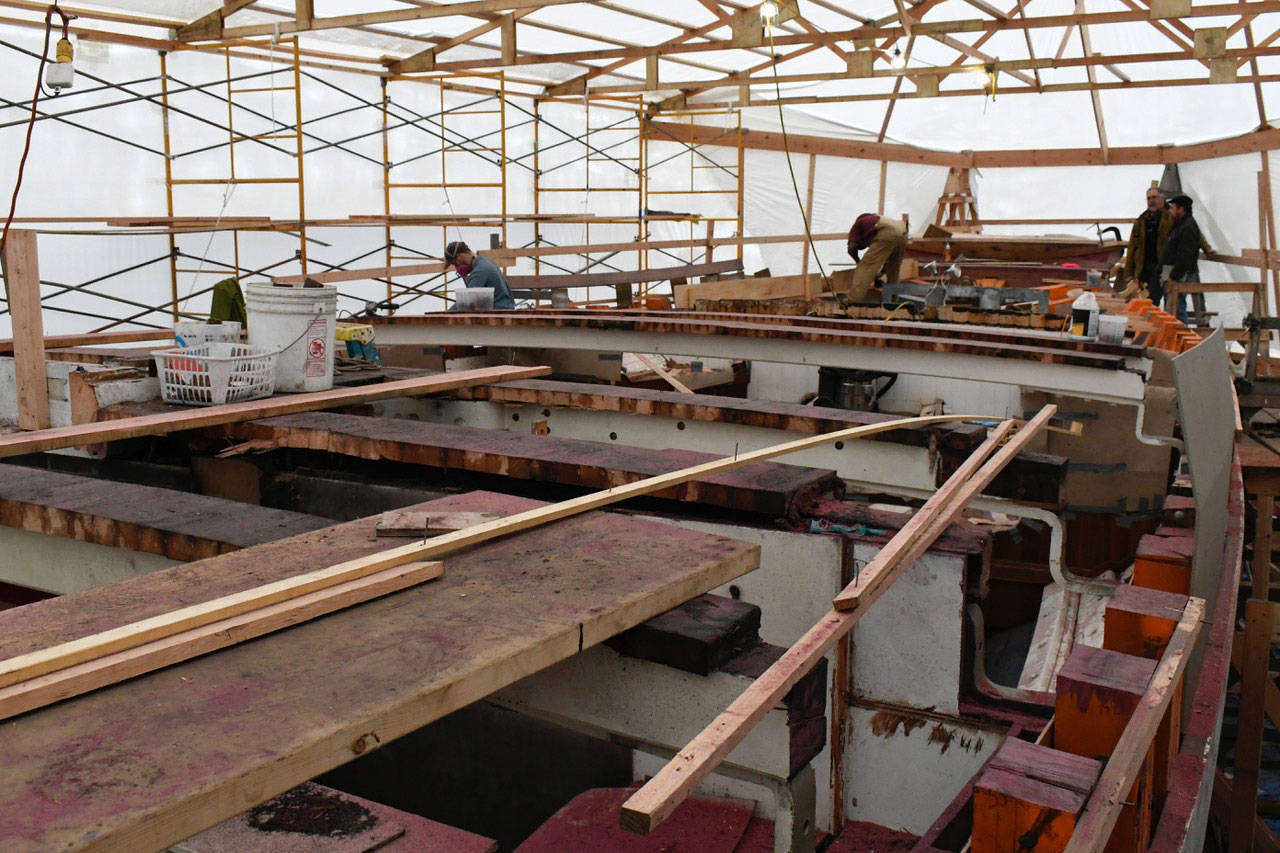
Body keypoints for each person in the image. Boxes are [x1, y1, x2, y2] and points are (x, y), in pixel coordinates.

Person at [1160, 195, 1204, 326]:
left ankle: (1180, 338)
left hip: (1180, 275)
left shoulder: (1187, 227)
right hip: (1174, 272)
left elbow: (1186, 255)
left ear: (1181, 209)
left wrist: (1174, 276)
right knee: (1172, 308)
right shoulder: (1180, 225)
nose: (1170, 211)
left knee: (1177, 309)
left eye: (1173, 208)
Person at [1121, 185, 1170, 304]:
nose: (1151, 201)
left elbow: (1191, 232)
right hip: (1145, 268)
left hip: (1164, 267)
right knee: (1148, 299)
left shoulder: (1171, 217)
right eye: (1148, 198)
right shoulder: (1142, 220)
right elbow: (1132, 246)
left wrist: (1207, 248)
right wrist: (1129, 273)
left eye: (1154, 197)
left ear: (1162, 198)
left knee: (1170, 302)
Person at [845, 213, 907, 302]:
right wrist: (881, 273)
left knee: (865, 268)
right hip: (903, 232)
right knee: (894, 270)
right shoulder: (878, 221)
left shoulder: (858, 224)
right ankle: (893, 301)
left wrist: (859, 262)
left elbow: (852, 248)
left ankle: (852, 301)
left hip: (888, 233)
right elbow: (887, 260)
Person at [443, 240, 515, 310]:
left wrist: (445, 315)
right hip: (506, 307)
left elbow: (466, 302)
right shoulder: (485, 260)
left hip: (499, 312)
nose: (457, 268)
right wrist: (465, 277)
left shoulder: (479, 271)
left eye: (455, 264)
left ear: (459, 256)